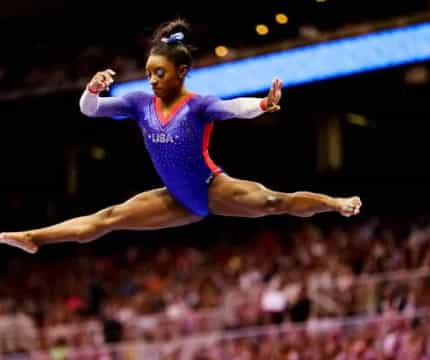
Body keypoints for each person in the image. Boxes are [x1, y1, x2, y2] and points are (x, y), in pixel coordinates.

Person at [0, 18, 361, 254]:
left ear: (181, 72)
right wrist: (92, 91)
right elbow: (89, 110)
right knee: (108, 218)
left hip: (210, 187)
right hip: (174, 198)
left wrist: (263, 104)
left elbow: (232, 107)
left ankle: (335, 202)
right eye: (149, 73)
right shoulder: (139, 103)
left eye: (160, 73)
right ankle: (34, 238)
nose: (152, 80)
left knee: (273, 203)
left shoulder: (198, 105)